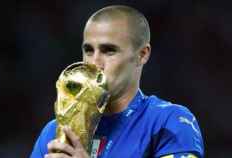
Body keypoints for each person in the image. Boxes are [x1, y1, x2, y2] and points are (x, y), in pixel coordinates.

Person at [30, 5, 204, 158]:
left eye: (109, 51)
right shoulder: (55, 132)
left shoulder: (168, 122)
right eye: (89, 50)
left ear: (142, 54)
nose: (94, 63)